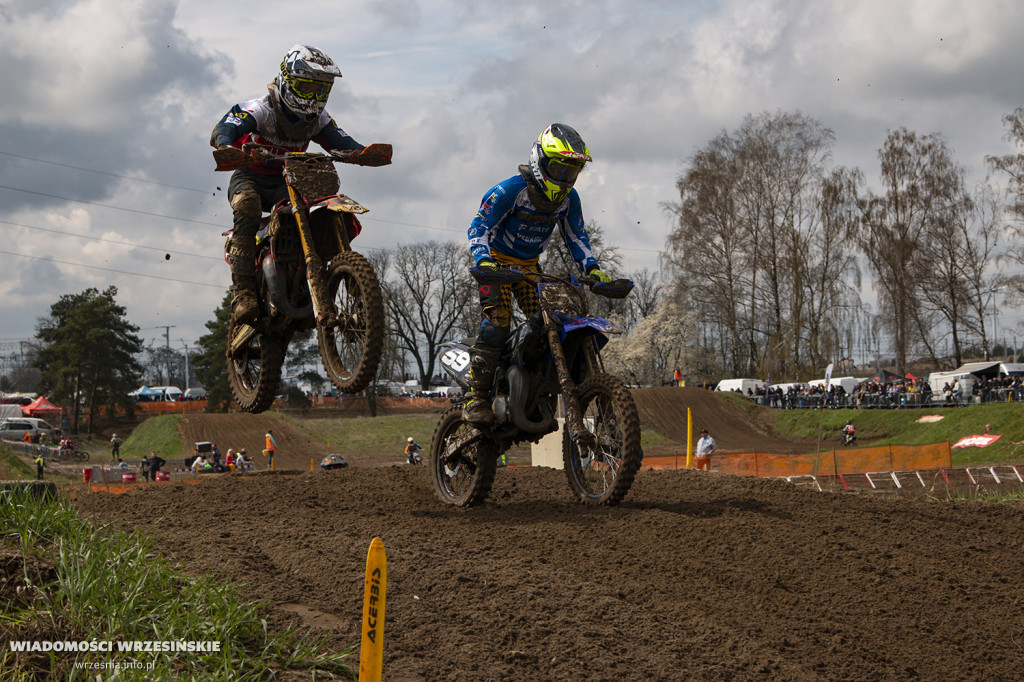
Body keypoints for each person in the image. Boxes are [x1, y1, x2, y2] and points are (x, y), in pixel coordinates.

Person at [209, 44, 391, 323]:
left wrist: (362, 153)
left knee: (319, 211)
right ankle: (243, 292)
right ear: (287, 80)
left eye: (320, 91)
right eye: (307, 88)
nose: (313, 97)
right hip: (251, 176)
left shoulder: (317, 118)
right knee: (247, 206)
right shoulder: (262, 109)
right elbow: (229, 126)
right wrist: (225, 145)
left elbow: (340, 141)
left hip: (289, 181)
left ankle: (323, 278)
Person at [462, 123, 611, 423]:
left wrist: (592, 268)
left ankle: (531, 384)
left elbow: (577, 237)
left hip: (530, 269)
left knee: (550, 325)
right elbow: (479, 228)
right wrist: (484, 260)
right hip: (498, 267)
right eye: (560, 169)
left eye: (572, 172)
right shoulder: (509, 191)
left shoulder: (570, 199)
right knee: (497, 324)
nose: (566, 178)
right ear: (539, 161)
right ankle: (474, 398)